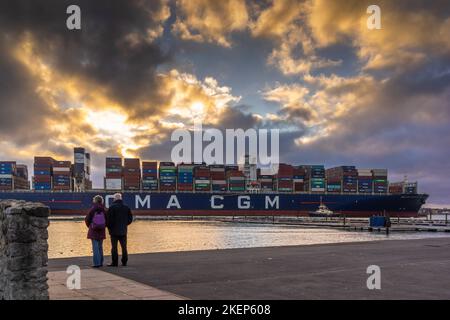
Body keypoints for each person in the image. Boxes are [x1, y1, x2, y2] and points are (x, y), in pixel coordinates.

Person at [106, 193, 133, 267]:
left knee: (114, 247)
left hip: (113, 232)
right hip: (123, 231)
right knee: (124, 247)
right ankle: (124, 262)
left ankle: (114, 263)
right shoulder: (126, 207)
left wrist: (109, 227)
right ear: (121, 199)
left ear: (114, 199)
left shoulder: (111, 208)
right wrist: (125, 224)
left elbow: (108, 220)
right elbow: (130, 219)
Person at [85, 195, 107, 268]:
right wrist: (103, 226)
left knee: (95, 247)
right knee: (100, 247)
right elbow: (107, 220)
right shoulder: (104, 209)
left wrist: (91, 226)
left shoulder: (93, 209)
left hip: (93, 230)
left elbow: (87, 219)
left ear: (95, 201)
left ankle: (96, 263)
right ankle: (100, 262)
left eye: (93, 199)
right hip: (101, 230)